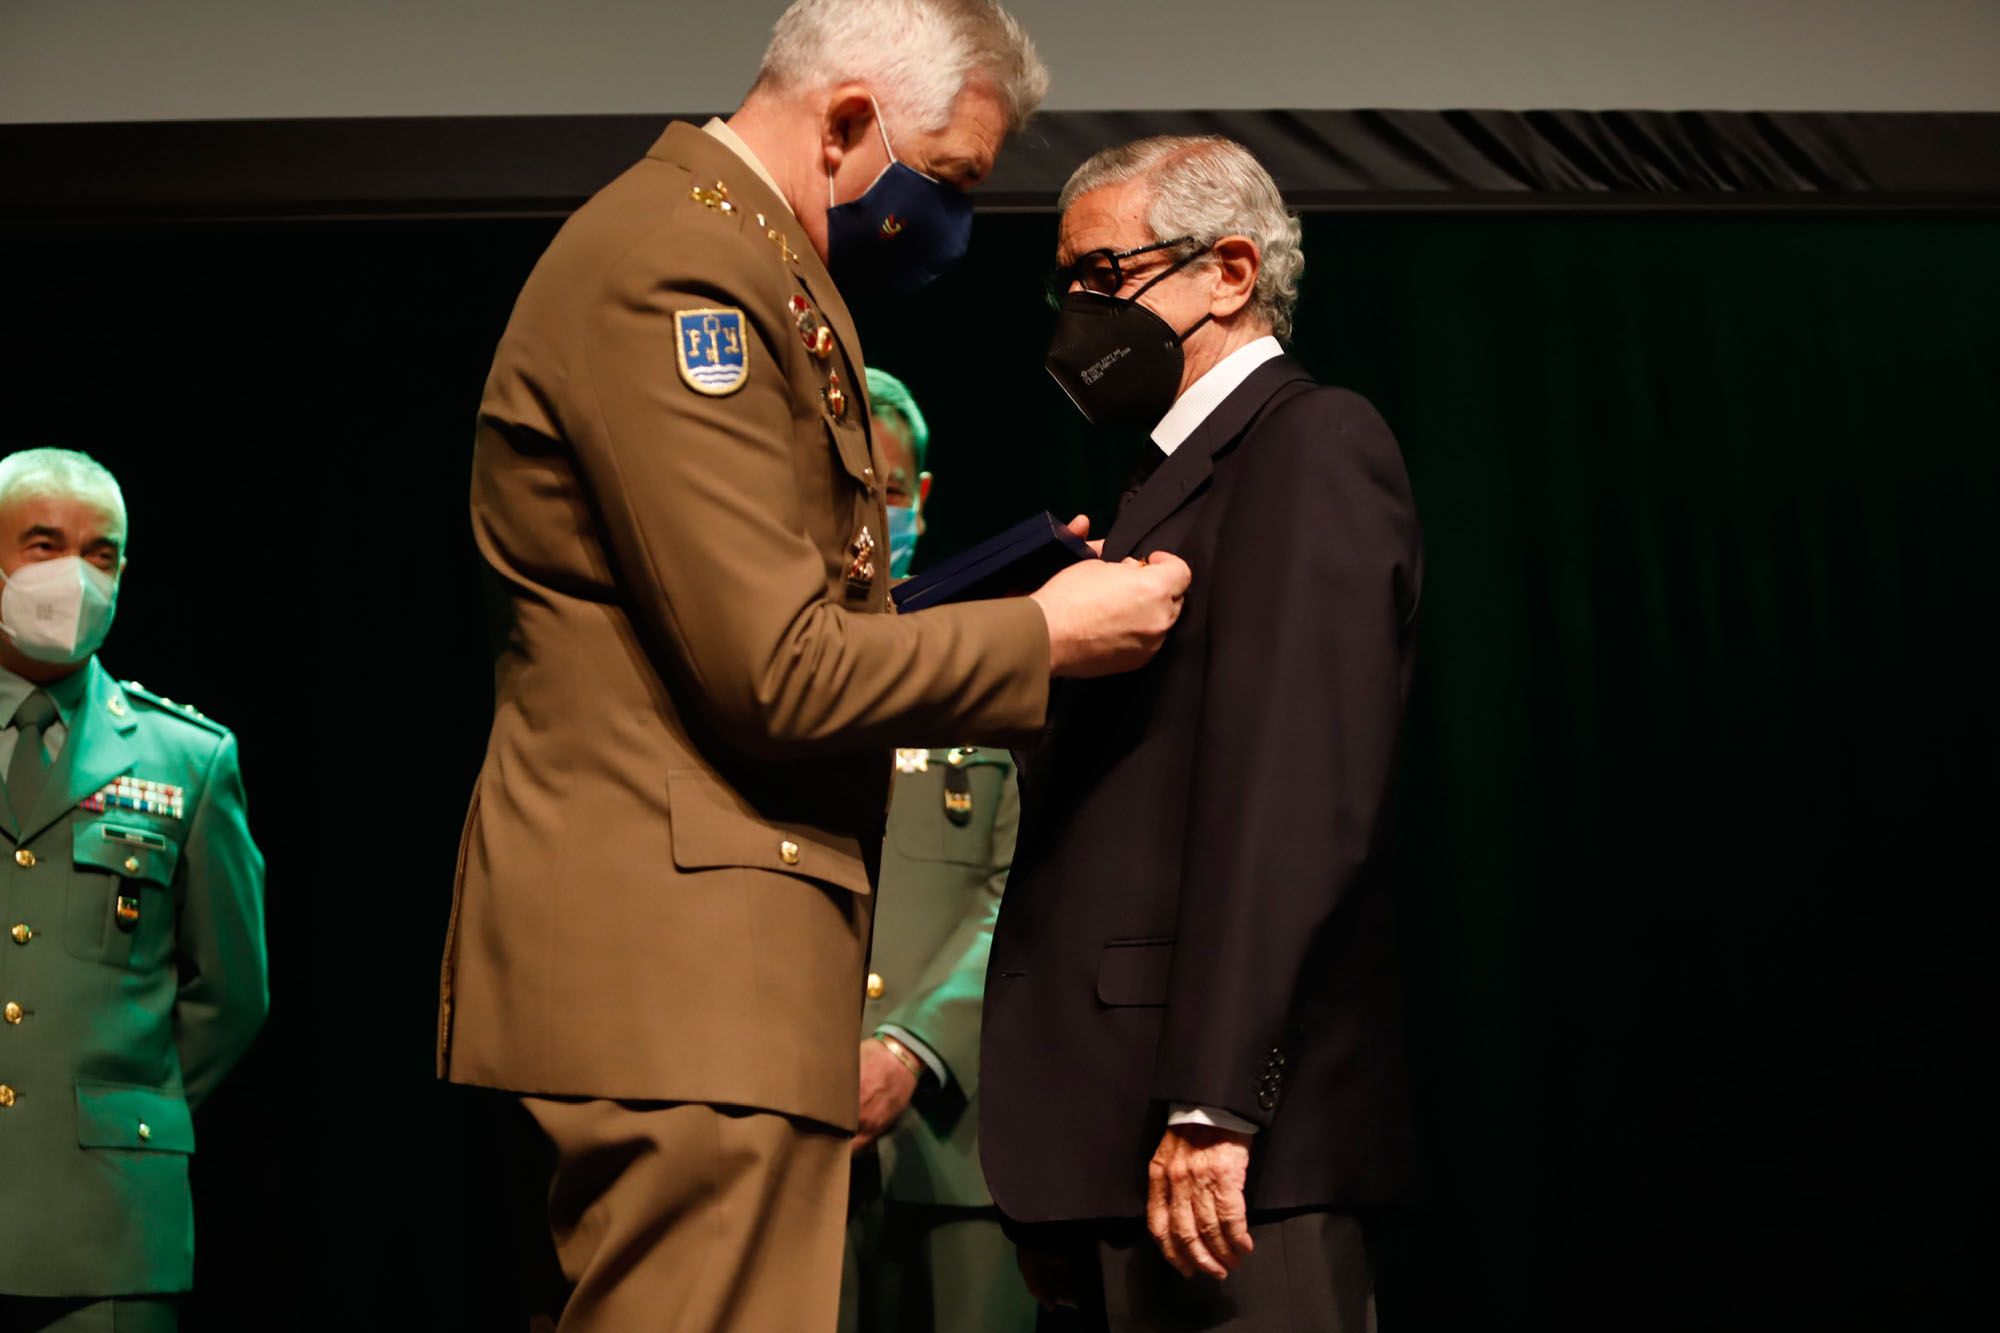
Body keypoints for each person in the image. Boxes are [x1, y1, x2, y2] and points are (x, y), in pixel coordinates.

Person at [434, 4, 1192, 1330]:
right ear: (847, 123)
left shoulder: (754, 259)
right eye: (946, 182)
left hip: (726, 947)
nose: (949, 223)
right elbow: (775, 669)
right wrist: (1044, 636)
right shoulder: (683, 269)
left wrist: (957, 608)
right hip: (679, 956)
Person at [981, 136, 1424, 1331]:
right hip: (1103, 1145)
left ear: (1229, 270)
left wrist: (1215, 1104)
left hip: (1217, 1159)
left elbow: (1292, 798)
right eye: (1064, 284)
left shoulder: (1307, 444)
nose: (1078, 313)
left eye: (1104, 275)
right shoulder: (1161, 485)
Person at [0, 448, 268, 1333]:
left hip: (105, 1223)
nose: (74, 576)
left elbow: (231, 992)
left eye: (101, 552)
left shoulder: (186, 759)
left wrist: (121, 1111)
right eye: (44, 545)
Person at [840, 368, 1035, 1333]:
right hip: (805, 1138)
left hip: (961, 1144)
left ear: (921, 495)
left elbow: (1020, 883)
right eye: (852, 490)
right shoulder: (771, 670)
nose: (875, 511)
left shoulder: (982, 655)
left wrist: (911, 1048)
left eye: (889, 490)